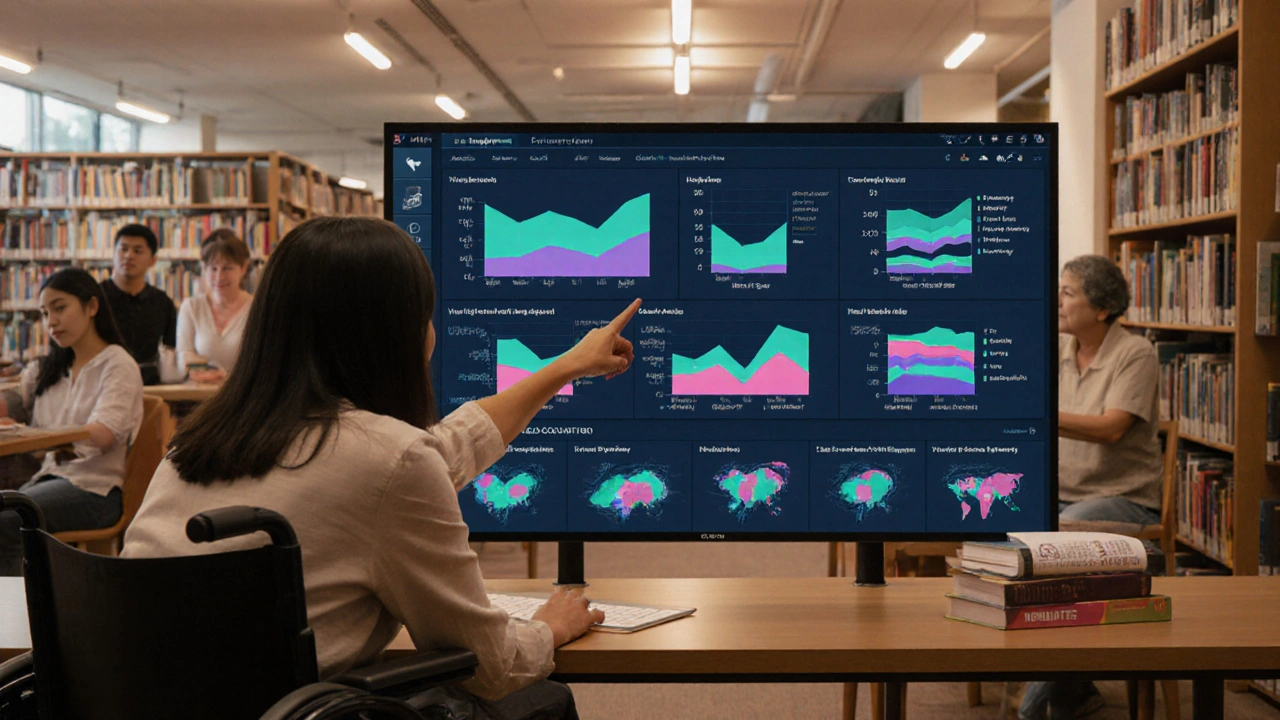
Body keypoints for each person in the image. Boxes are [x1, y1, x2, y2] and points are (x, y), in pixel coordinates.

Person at [123, 216, 637, 719]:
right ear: (393, 335)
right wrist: (550, 628)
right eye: (424, 317)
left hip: (138, 703)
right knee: (543, 700)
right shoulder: (391, 460)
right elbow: (490, 666)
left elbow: (442, 448)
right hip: (301, 710)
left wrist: (567, 365)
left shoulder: (192, 446)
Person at [1021, 254, 1163, 720]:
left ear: (1101, 309)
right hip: (1061, 496)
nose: (1057, 302)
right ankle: (1073, 690)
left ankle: (1038, 701)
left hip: (1126, 501)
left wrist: (1039, 415)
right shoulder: (1057, 351)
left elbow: (1111, 428)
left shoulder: (1135, 353)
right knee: (1000, 529)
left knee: (1065, 538)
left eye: (1068, 293)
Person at [0, 268, 144, 576]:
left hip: (96, 491)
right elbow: (7, 406)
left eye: (60, 308)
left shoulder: (118, 365)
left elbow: (103, 435)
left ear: (92, 307)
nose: (50, 321)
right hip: (47, 480)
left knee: (8, 517)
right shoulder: (46, 369)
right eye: (44, 313)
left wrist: (33, 433)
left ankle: (23, 614)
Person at [100, 223, 177, 386]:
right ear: (113, 254)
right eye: (123, 249)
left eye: (138, 251)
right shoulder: (95, 298)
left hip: (149, 385)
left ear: (153, 260)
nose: (129, 256)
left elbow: (171, 349)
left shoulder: (162, 302)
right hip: (102, 382)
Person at [176, 228, 252, 383]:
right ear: (204, 269)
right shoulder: (191, 307)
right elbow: (184, 354)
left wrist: (225, 377)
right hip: (198, 395)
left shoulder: (257, 308)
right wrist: (206, 372)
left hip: (247, 396)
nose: (219, 277)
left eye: (228, 268)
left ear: (243, 269)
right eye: (213, 268)